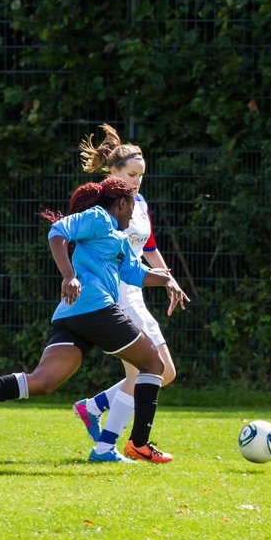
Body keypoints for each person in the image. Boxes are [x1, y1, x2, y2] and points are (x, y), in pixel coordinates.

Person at [0, 176, 190, 463]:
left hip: (72, 315)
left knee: (43, 382)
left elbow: (135, 274)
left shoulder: (119, 238)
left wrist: (168, 280)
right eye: (131, 206)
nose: (134, 212)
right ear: (121, 203)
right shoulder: (98, 217)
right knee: (153, 364)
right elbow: (58, 231)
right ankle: (139, 443)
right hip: (95, 308)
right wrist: (69, 275)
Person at [68, 125, 178, 458]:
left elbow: (149, 246)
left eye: (141, 176)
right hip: (112, 295)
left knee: (165, 372)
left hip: (135, 297)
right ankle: (109, 445)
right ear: (113, 172)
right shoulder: (101, 206)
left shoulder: (139, 203)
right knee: (144, 370)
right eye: (131, 174)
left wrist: (169, 279)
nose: (137, 181)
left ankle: (94, 406)